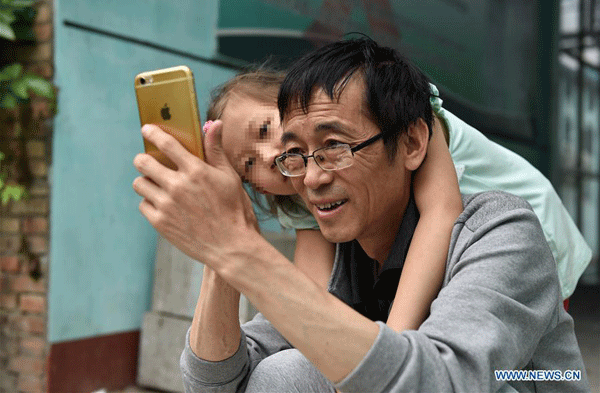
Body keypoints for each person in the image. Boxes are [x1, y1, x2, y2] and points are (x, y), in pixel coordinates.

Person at [133, 38, 589, 392]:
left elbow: (441, 381)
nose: (309, 175)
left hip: (541, 245)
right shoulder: (334, 238)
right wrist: (222, 258)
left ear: (412, 143)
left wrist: (237, 248)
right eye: (293, 155)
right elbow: (222, 381)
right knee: (289, 371)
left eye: (333, 146)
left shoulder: (499, 227)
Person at [205, 69, 462, 332]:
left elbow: (441, 214)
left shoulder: (398, 111)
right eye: (248, 164)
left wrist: (392, 347)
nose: (268, 157)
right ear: (261, 190)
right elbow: (315, 299)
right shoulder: (308, 198)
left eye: (263, 129)